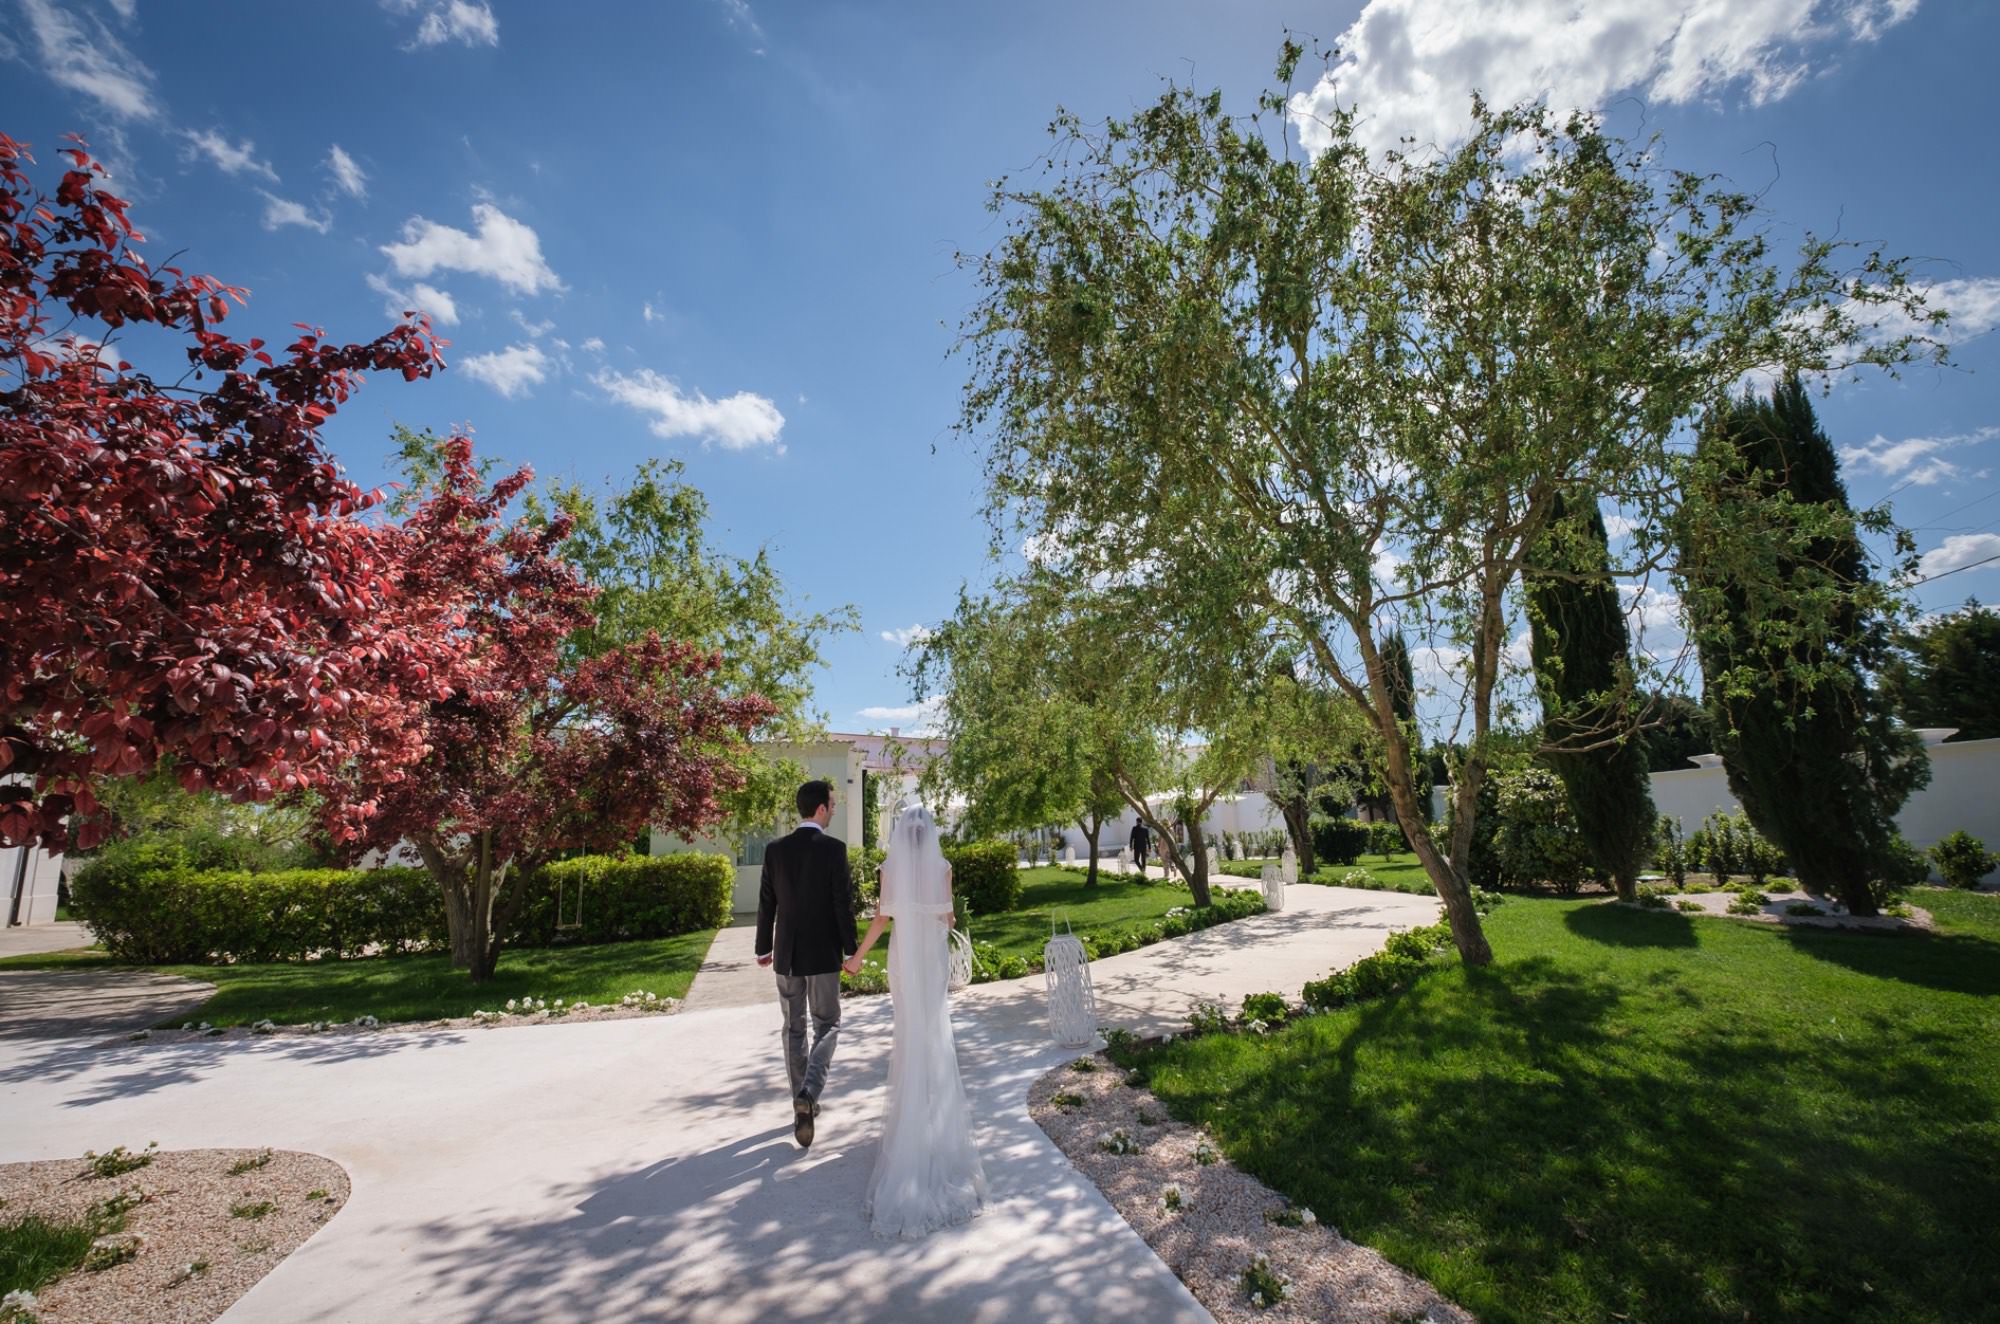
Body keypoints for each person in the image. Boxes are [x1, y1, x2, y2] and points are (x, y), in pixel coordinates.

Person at [843, 803, 986, 1238]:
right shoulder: (943, 866)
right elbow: (948, 918)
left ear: (901, 833)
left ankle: (908, 1133)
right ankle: (937, 1130)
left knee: (909, 1035)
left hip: (905, 959)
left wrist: (856, 958)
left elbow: (883, 918)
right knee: (934, 1033)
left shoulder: (889, 868)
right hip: (933, 958)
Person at [755, 779, 857, 1148]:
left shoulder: (775, 849)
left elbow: (767, 902)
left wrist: (763, 947)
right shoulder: (834, 850)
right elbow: (841, 903)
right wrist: (851, 950)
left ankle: (802, 1102)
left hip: (786, 953)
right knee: (828, 1024)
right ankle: (810, 1093)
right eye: (832, 803)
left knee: (793, 1028)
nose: (834, 809)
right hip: (823, 953)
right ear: (820, 809)